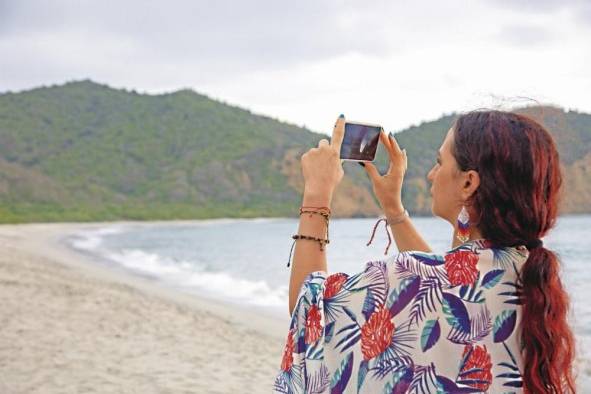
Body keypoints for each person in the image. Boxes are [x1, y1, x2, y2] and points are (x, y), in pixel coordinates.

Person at [274, 111, 576, 393]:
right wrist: (393, 208)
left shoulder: (407, 276)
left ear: (469, 182)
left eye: (439, 162)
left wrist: (317, 192)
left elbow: (309, 311)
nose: (432, 175)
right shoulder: (533, 280)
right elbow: (449, 283)